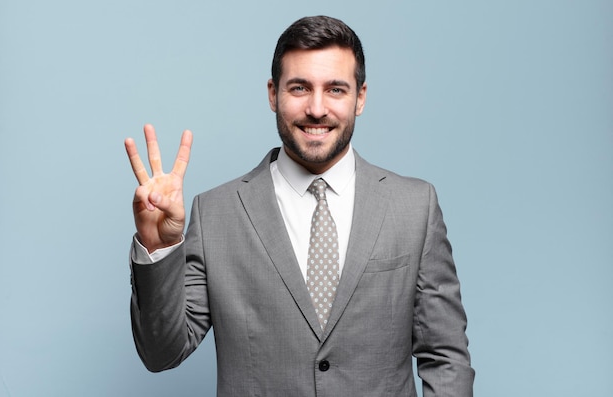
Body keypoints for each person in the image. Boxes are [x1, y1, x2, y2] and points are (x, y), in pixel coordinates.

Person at [125, 15, 474, 397]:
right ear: (273, 94)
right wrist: (158, 248)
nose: (317, 108)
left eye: (336, 89)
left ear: (360, 97)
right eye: (300, 88)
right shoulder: (216, 214)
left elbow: (446, 359)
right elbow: (161, 353)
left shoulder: (414, 206)